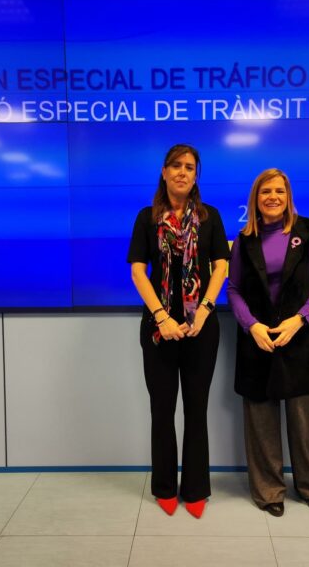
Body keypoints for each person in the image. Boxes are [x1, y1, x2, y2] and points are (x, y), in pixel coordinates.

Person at [128, 143, 229, 519]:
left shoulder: (210, 217)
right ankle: (165, 487)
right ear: (164, 172)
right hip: (159, 330)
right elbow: (138, 271)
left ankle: (197, 489)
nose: (183, 172)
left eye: (190, 167)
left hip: (201, 327)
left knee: (197, 411)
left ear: (196, 175)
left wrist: (204, 310)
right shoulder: (147, 218)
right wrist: (161, 316)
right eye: (176, 166)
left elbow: (221, 266)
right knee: (162, 410)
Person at [227, 168, 309, 517]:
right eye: (265, 191)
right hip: (257, 341)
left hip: (300, 338)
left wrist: (300, 318)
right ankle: (268, 491)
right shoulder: (244, 240)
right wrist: (252, 326)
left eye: (279, 191)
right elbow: (234, 290)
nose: (273, 197)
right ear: (255, 199)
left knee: (304, 424)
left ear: (288, 197)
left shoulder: (307, 231)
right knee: (261, 422)